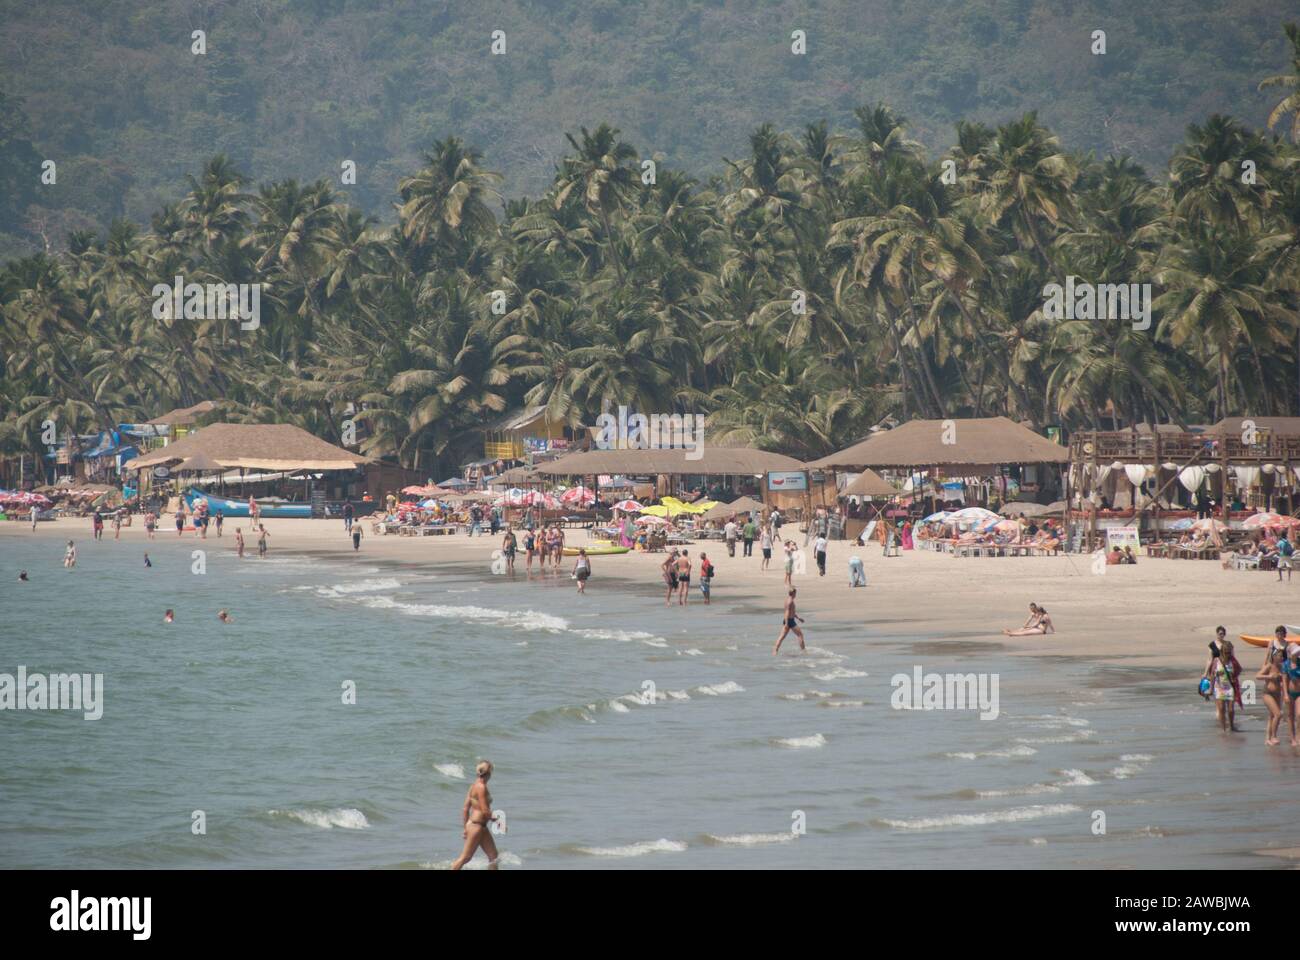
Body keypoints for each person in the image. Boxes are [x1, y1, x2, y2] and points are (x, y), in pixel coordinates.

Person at [451, 760, 500, 870]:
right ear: (489, 773)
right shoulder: (481, 787)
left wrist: (465, 828)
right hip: (477, 827)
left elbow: (465, 809)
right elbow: (485, 811)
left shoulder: (473, 786)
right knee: (465, 858)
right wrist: (499, 822)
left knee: (493, 856)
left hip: (479, 826)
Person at [1201, 631, 1241, 733]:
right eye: (1226, 652)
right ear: (1222, 651)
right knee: (1222, 709)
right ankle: (1223, 729)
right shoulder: (1216, 661)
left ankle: (1231, 726)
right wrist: (1210, 688)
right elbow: (1213, 675)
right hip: (1219, 687)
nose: (1228, 654)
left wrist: (1234, 676)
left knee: (1231, 709)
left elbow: (1239, 669)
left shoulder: (1232, 660)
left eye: (1229, 652)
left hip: (1230, 687)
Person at [1257, 626, 1287, 746]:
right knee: (1277, 714)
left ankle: (1268, 738)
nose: (1279, 635)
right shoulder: (1270, 663)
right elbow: (1258, 675)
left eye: (1281, 633)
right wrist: (1268, 675)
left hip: (1277, 692)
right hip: (1268, 691)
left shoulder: (1283, 665)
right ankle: (1272, 737)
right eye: (1277, 632)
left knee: (1272, 715)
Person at [773, 588, 806, 654]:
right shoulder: (790, 601)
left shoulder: (787, 600)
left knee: (782, 636)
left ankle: (775, 651)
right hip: (789, 621)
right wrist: (787, 624)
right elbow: (787, 612)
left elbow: (791, 612)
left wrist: (798, 618)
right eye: (795, 593)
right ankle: (804, 651)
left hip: (788, 620)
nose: (796, 595)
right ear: (793, 593)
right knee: (800, 635)